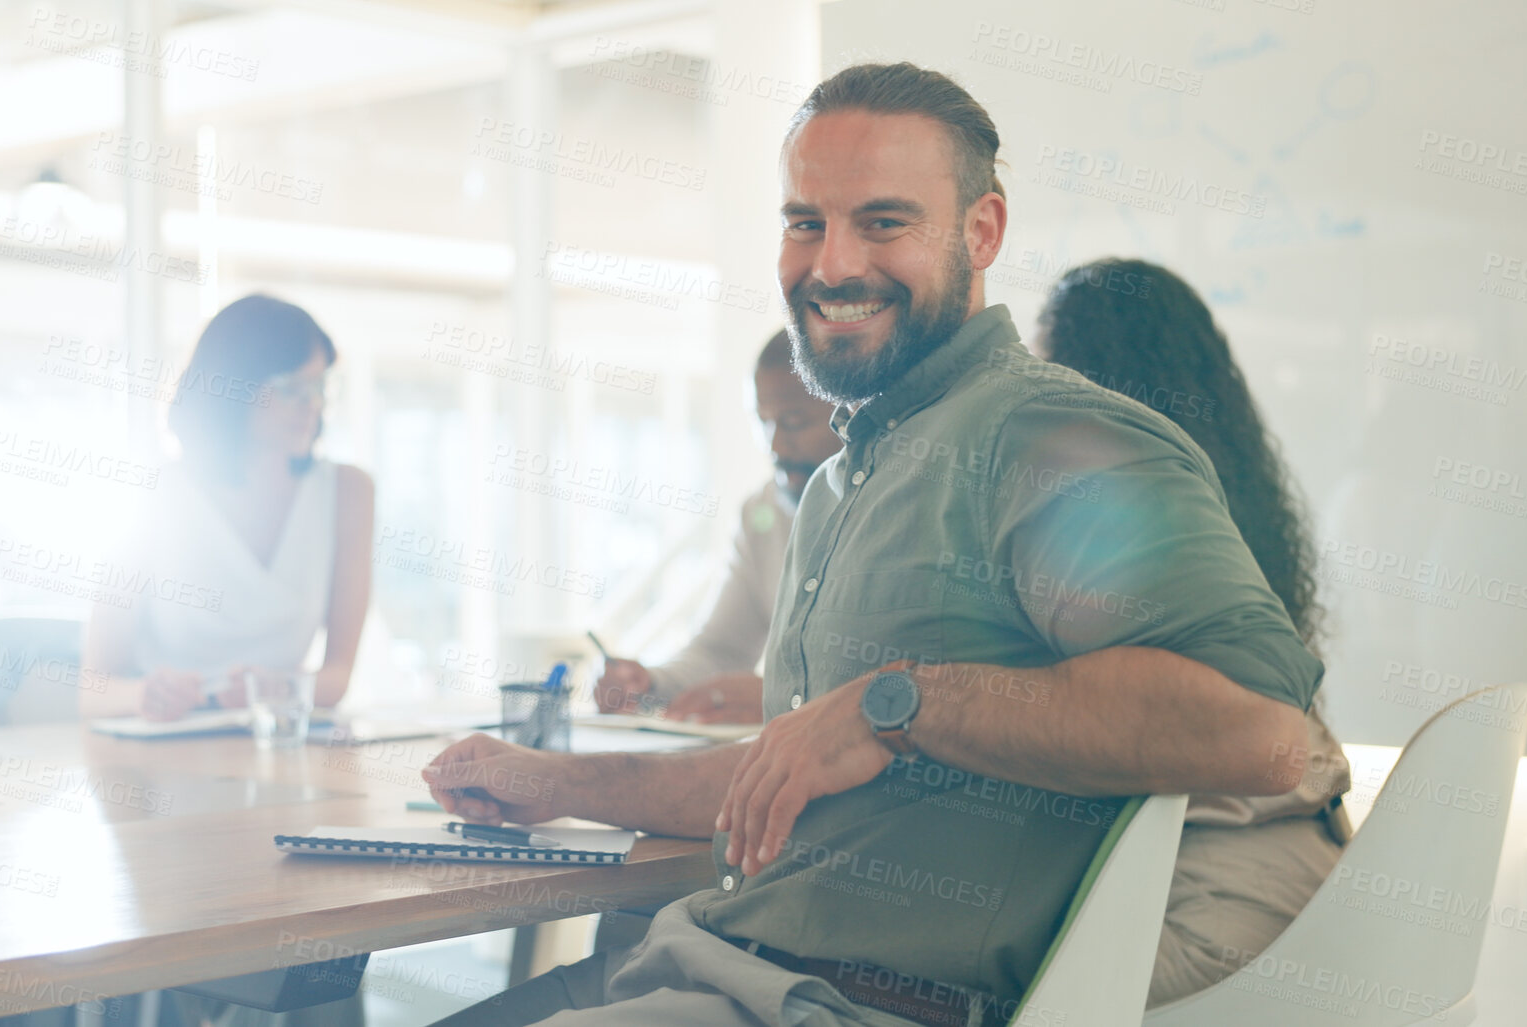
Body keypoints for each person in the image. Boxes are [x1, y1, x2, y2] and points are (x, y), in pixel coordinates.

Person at [420, 63, 1322, 1027]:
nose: (832, 264)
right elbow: (783, 769)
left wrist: (899, 703)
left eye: (883, 222)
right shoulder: (843, 481)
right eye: (804, 221)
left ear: (981, 232)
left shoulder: (1051, 441)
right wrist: (557, 782)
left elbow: (1261, 736)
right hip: (718, 962)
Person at [1032, 257, 1352, 1005]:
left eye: (1049, 373)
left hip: (1210, 894)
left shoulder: (1116, 521)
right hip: (1309, 871)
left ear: (1092, 381)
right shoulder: (1230, 500)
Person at [81, 294, 374, 724]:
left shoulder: (348, 491)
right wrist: (146, 694)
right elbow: (93, 691)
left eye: (320, 386)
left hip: (277, 741)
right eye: (291, 388)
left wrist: (280, 689)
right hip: (162, 754)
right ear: (232, 388)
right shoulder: (152, 493)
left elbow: (337, 679)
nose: (312, 405)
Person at [594, 330, 840, 725]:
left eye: (793, 422)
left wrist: (779, 697)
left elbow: (904, 680)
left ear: (850, 412)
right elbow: (720, 651)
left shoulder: (891, 506)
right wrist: (649, 682)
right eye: (763, 422)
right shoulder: (761, 514)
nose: (775, 446)